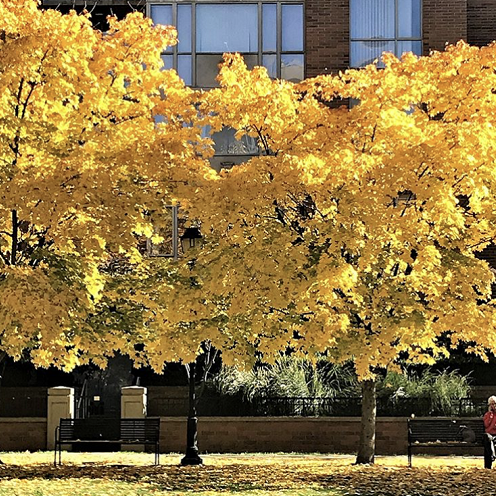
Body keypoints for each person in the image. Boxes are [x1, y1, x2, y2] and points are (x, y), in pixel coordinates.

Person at [483, 396, 496, 469]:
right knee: (487, 438)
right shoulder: (487, 415)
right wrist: (491, 415)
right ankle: (492, 456)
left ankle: (492, 456)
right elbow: (486, 425)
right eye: (491, 404)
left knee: (488, 442)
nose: (493, 406)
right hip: (489, 435)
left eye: (494, 404)